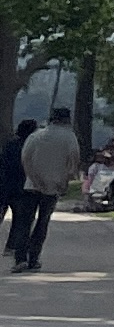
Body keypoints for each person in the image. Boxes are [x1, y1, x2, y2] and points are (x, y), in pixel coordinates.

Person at [10, 107, 81, 270]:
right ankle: (34, 258)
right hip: (53, 185)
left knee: (24, 222)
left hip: (32, 185)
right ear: (67, 120)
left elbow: (25, 158)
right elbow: (74, 160)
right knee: (42, 223)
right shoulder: (69, 137)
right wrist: (66, 180)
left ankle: (20, 258)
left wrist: (33, 178)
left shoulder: (36, 136)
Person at [0, 120, 29, 264]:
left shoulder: (10, 145)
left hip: (4, 184)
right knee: (19, 219)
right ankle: (11, 246)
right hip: (20, 187)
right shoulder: (28, 147)